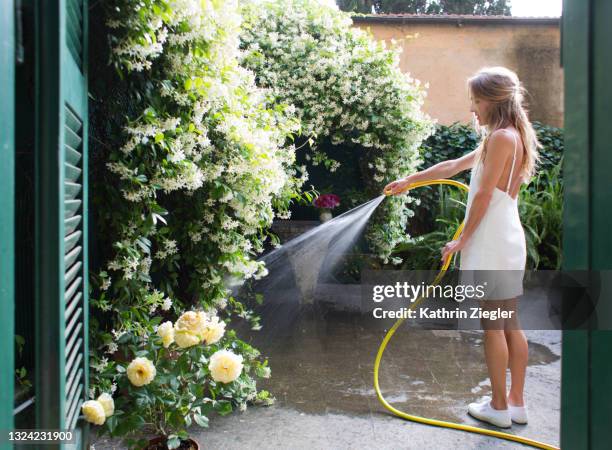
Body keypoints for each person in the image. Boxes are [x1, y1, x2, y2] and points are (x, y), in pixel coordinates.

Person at [384, 66, 542, 428]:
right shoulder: (507, 135)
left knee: (493, 324)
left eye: (476, 99)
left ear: (493, 100)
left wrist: (462, 239)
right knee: (508, 322)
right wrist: (410, 181)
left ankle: (498, 406)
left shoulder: (502, 138)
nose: (472, 107)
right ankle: (516, 404)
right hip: (504, 237)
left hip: (492, 239)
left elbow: (485, 194)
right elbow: (454, 165)